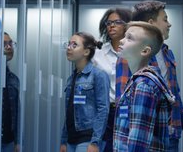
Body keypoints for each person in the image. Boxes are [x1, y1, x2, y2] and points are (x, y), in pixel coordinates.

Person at [115, 0, 183, 151]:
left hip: (170, 131)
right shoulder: (129, 55)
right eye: (165, 19)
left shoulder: (167, 53)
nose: (169, 24)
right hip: (143, 135)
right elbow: (124, 101)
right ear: (152, 23)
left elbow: (175, 95)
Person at [113, 21, 175, 151]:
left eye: (129, 38)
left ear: (145, 51)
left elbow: (138, 141)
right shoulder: (138, 80)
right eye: (125, 36)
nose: (122, 41)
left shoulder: (144, 85)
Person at [60, 32, 110, 152]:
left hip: (88, 138)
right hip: (71, 139)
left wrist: (95, 142)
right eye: (68, 44)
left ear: (86, 52)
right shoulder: (72, 78)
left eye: (74, 45)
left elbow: (103, 110)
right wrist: (63, 140)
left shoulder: (99, 75)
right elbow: (69, 112)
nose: (68, 48)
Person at [91, 8, 132, 152]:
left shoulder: (133, 51)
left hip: (128, 111)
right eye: (109, 23)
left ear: (127, 25)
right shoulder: (97, 54)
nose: (111, 26)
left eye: (117, 22)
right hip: (104, 111)